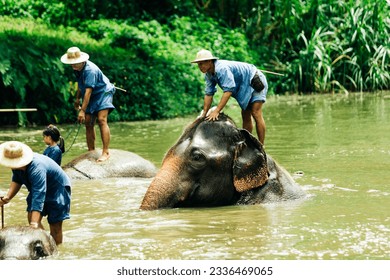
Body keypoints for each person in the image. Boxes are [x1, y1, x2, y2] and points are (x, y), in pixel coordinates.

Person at [0, 141, 71, 245]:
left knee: (54, 225)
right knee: (31, 216)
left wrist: (34, 224)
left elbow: (39, 194)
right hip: (38, 188)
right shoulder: (17, 167)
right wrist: (7, 198)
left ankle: (55, 249)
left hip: (57, 188)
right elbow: (17, 179)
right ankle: (46, 241)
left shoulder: (37, 168)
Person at [191, 49, 268, 145]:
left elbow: (228, 91)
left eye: (202, 64)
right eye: (199, 64)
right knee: (245, 114)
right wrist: (204, 113)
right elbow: (209, 93)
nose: (200, 67)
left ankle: (261, 145)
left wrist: (217, 110)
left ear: (210, 61)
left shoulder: (221, 69)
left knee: (256, 112)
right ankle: (246, 143)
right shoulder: (209, 74)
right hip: (243, 86)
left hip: (254, 80)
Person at [60, 46, 116, 162]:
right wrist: (77, 100)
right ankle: (91, 150)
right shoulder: (77, 69)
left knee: (101, 119)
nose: (73, 65)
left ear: (82, 60)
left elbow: (88, 92)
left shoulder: (90, 70)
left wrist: (82, 111)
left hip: (103, 92)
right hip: (90, 94)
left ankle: (105, 152)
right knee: (88, 122)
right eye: (71, 63)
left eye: (75, 63)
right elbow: (82, 86)